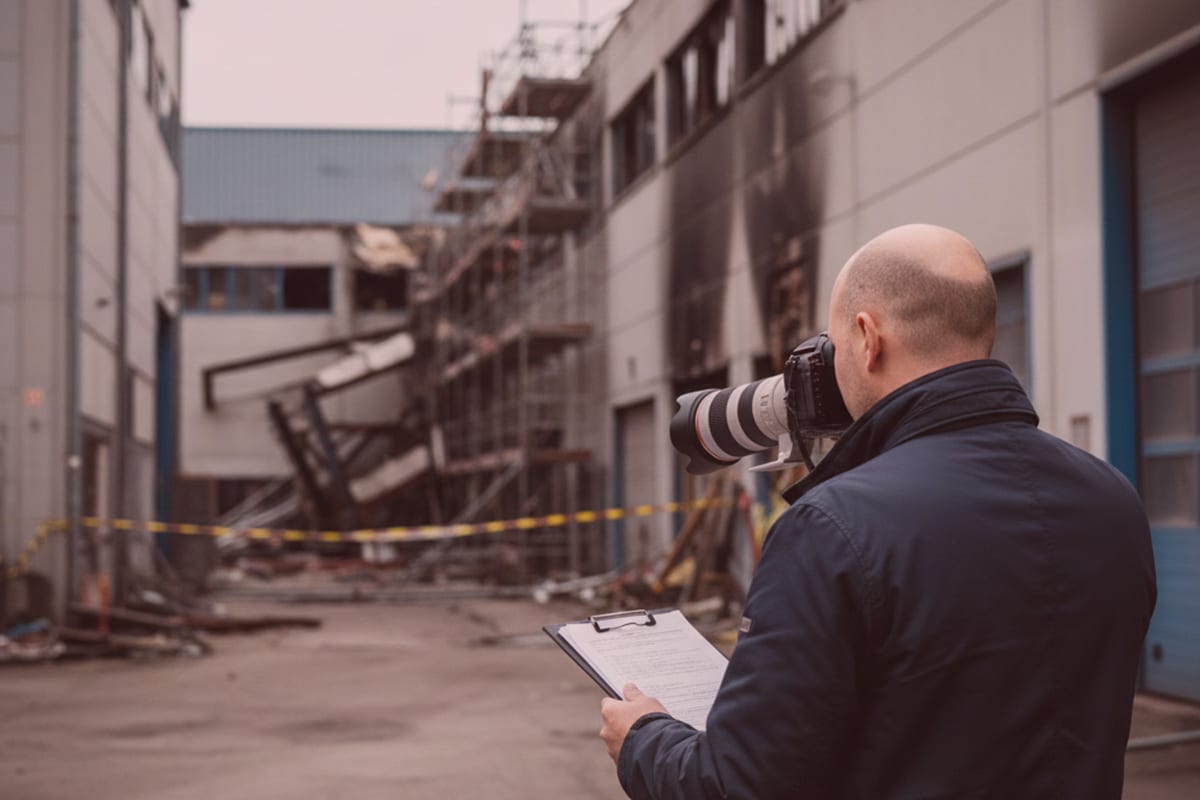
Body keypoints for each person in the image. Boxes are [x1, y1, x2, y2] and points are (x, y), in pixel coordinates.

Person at [599, 223, 1157, 799]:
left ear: (867, 338)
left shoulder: (832, 528)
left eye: (836, 345)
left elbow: (739, 786)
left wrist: (643, 736)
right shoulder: (1112, 500)